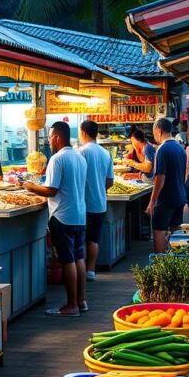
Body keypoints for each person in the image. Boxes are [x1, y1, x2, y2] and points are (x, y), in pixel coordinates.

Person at [24, 121, 88, 317]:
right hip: (79, 215)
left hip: (62, 216)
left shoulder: (57, 159)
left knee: (68, 261)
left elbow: (51, 190)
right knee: (78, 258)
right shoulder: (79, 157)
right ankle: (81, 301)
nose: (49, 140)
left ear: (58, 137)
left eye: (50, 136)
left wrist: (29, 186)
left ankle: (71, 306)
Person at [77, 120, 113, 282]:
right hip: (100, 203)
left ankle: (81, 269)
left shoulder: (81, 152)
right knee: (94, 239)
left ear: (83, 132)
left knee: (82, 239)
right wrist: (100, 188)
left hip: (83, 203)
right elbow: (110, 181)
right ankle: (91, 270)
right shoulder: (106, 153)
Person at [147, 117, 187, 254]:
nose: (154, 137)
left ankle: (160, 265)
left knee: (159, 231)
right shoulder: (180, 148)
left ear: (159, 131)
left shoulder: (162, 150)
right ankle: (176, 263)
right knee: (176, 233)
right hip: (180, 197)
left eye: (154, 133)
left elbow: (160, 178)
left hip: (165, 200)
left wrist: (152, 202)